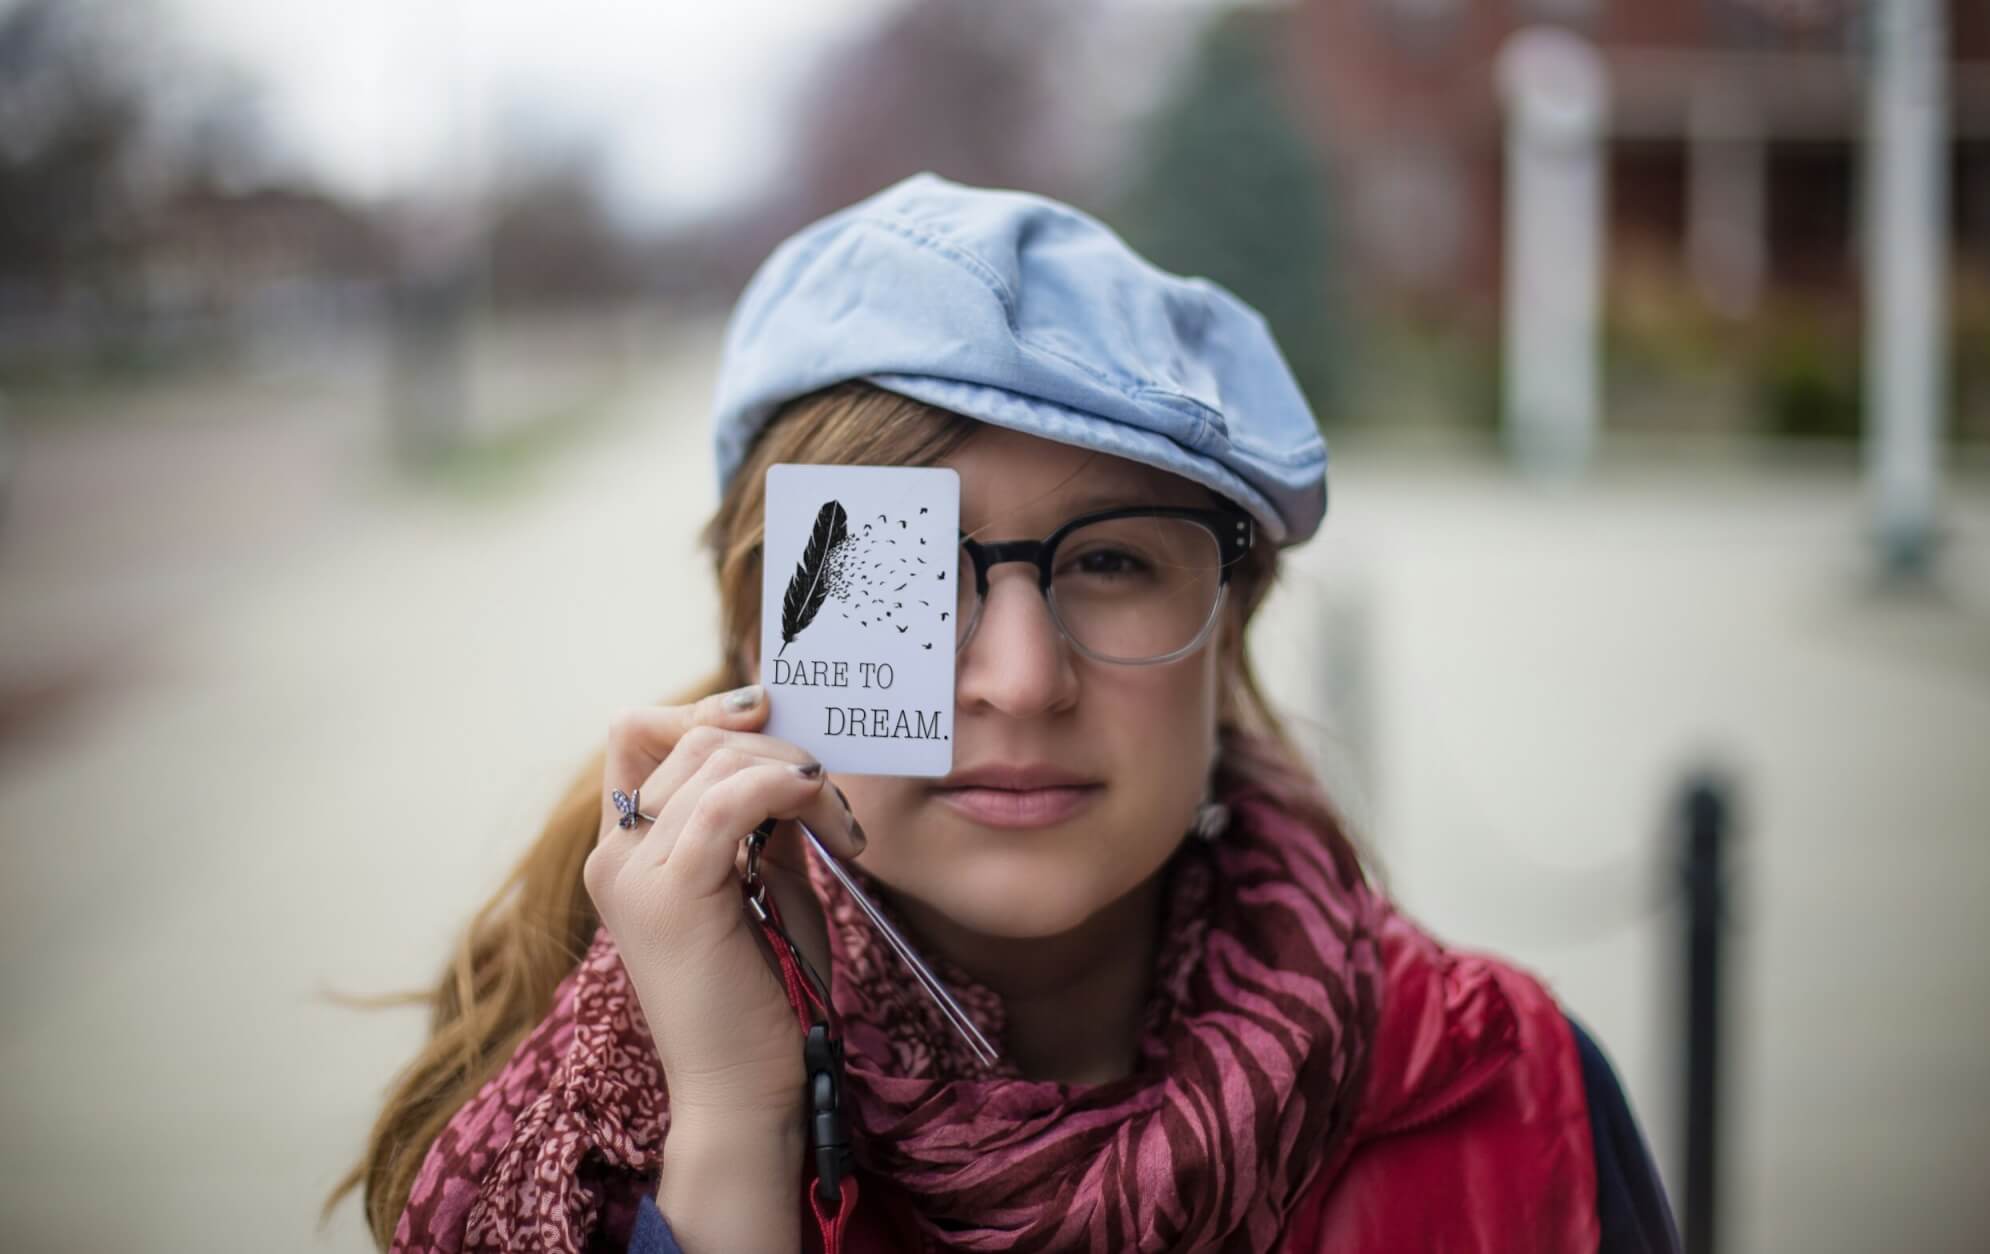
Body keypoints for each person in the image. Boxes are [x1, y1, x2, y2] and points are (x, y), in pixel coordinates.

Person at [331, 172, 1677, 1253]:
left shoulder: (1512, 1092)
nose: (1023, 679)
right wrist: (734, 1141)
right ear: (758, 638)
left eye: (1111, 560)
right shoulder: (582, 1144)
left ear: (1230, 621)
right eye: (899, 570)